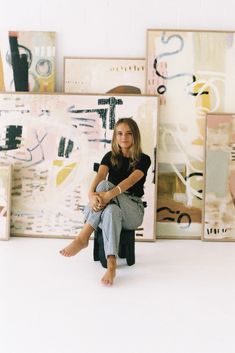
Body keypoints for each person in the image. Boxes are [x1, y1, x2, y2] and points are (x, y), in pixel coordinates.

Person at [60, 118, 151, 286]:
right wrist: (91, 195)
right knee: (110, 210)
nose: (124, 137)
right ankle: (111, 264)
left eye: (129, 133)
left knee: (106, 186)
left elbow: (131, 180)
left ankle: (83, 237)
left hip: (133, 210)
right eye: (120, 133)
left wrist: (108, 194)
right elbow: (100, 176)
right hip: (111, 207)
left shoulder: (144, 159)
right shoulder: (110, 157)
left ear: (135, 136)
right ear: (115, 136)